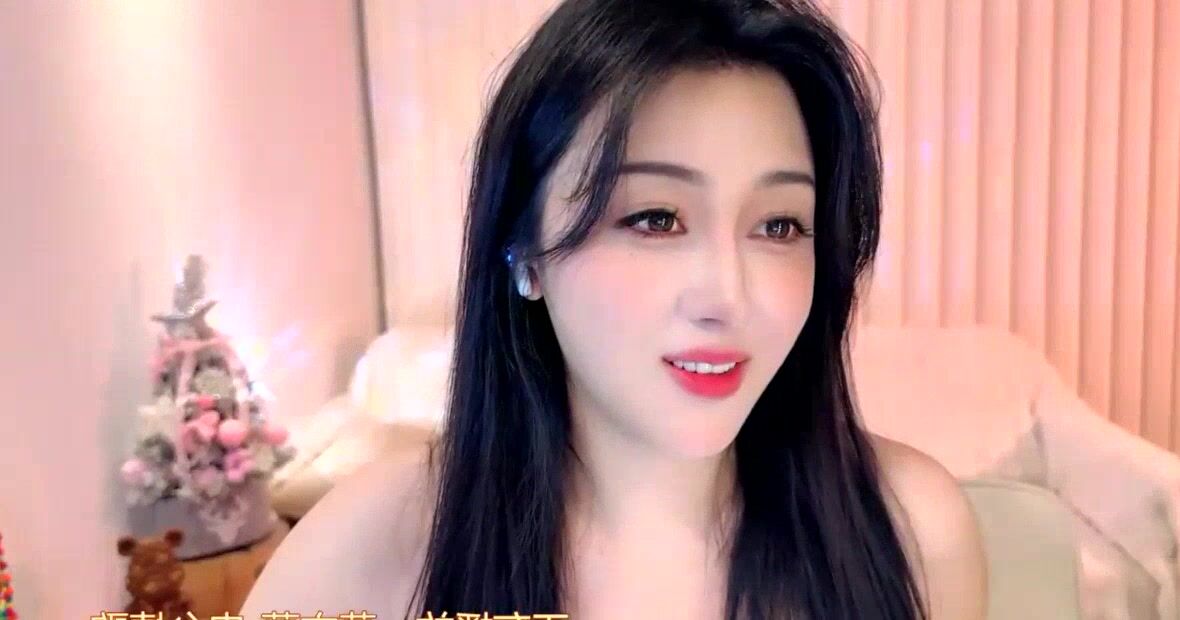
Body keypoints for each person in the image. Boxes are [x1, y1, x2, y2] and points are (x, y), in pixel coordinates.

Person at [242, 0, 987, 618]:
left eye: (780, 226)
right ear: (525, 251)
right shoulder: (369, 549)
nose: (728, 296)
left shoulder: (913, 532)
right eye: (655, 219)